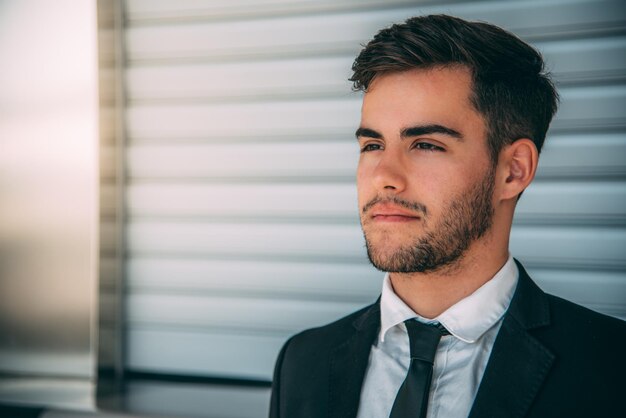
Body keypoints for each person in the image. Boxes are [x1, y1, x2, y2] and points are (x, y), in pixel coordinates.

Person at [268, 14, 626, 418]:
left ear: (514, 170)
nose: (384, 177)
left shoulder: (611, 366)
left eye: (425, 144)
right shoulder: (303, 362)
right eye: (372, 145)